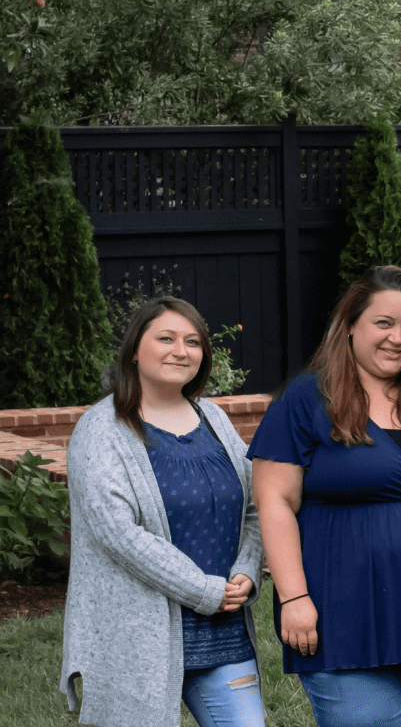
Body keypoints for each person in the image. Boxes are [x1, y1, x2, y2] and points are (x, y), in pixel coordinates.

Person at [250, 266, 401, 727]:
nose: (398, 338)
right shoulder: (306, 400)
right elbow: (274, 501)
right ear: (351, 324)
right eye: (384, 323)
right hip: (342, 606)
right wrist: (294, 596)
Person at [61, 296, 264, 727]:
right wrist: (203, 590)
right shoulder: (101, 429)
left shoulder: (215, 419)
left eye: (193, 342)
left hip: (222, 632)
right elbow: (118, 533)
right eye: (166, 338)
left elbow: (255, 504)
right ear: (135, 349)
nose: (181, 350)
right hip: (137, 638)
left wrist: (247, 567)